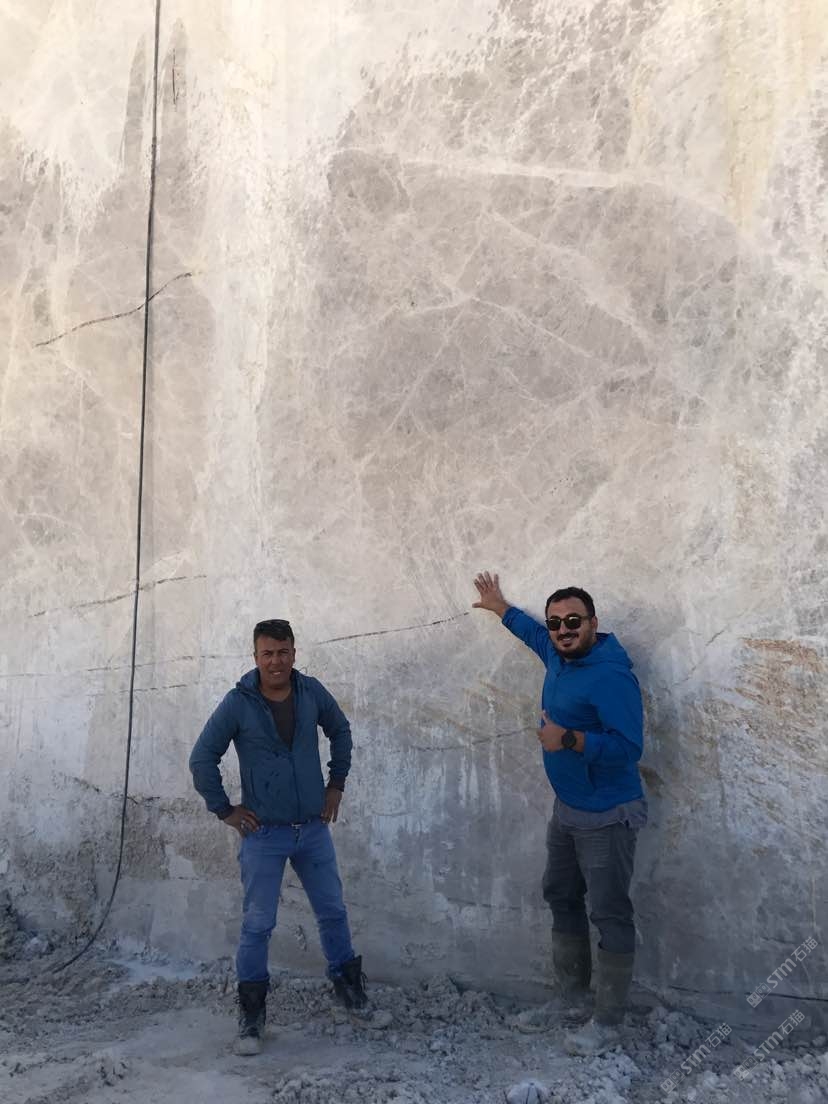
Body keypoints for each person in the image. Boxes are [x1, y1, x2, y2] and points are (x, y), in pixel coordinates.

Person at [472, 573, 646, 1055]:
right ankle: (572, 1000)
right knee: (562, 896)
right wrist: (500, 607)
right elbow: (533, 634)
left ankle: (607, 1022)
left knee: (609, 912)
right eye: (556, 623)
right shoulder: (557, 653)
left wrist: (569, 739)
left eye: (573, 621)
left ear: (593, 622)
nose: (563, 630)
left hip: (607, 813)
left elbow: (629, 748)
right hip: (568, 808)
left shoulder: (611, 676)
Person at [189, 618, 367, 1055]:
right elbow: (202, 758)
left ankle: (350, 992)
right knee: (258, 924)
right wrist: (225, 810)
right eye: (267, 653)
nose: (276, 661)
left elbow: (340, 730)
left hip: (312, 829)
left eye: (283, 652)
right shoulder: (238, 703)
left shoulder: (311, 692)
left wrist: (336, 784)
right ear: (255, 657)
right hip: (264, 834)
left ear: (294, 653)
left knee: (332, 911)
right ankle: (252, 1017)